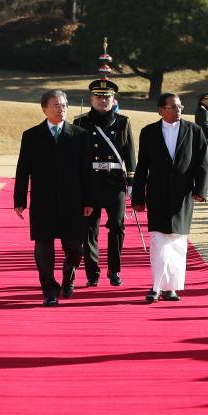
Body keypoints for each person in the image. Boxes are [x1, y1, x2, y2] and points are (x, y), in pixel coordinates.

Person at [15, 90, 93, 306]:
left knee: (75, 246)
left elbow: (87, 171)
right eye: (57, 105)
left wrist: (89, 201)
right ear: (44, 109)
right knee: (43, 247)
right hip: (43, 200)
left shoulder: (80, 135)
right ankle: (49, 290)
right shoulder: (31, 136)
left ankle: (69, 274)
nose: (62, 109)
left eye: (65, 105)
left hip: (74, 201)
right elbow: (23, 169)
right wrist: (19, 200)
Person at [131, 93, 208, 302]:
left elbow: (203, 162)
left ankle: (171, 288)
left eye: (180, 106)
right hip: (156, 194)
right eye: (173, 107)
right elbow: (142, 167)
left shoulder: (194, 131)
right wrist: (137, 197)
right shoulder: (148, 132)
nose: (178, 110)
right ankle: (156, 287)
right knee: (159, 240)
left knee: (177, 241)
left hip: (182, 195)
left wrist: (200, 190)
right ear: (161, 110)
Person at [73, 77, 136, 287]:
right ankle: (92, 272)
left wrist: (132, 183)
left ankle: (115, 270)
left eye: (106, 97)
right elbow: (76, 157)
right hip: (90, 182)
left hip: (115, 182)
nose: (102, 100)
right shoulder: (80, 122)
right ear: (91, 98)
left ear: (113, 99)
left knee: (117, 227)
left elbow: (130, 154)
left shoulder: (123, 122)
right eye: (98, 96)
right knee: (89, 229)